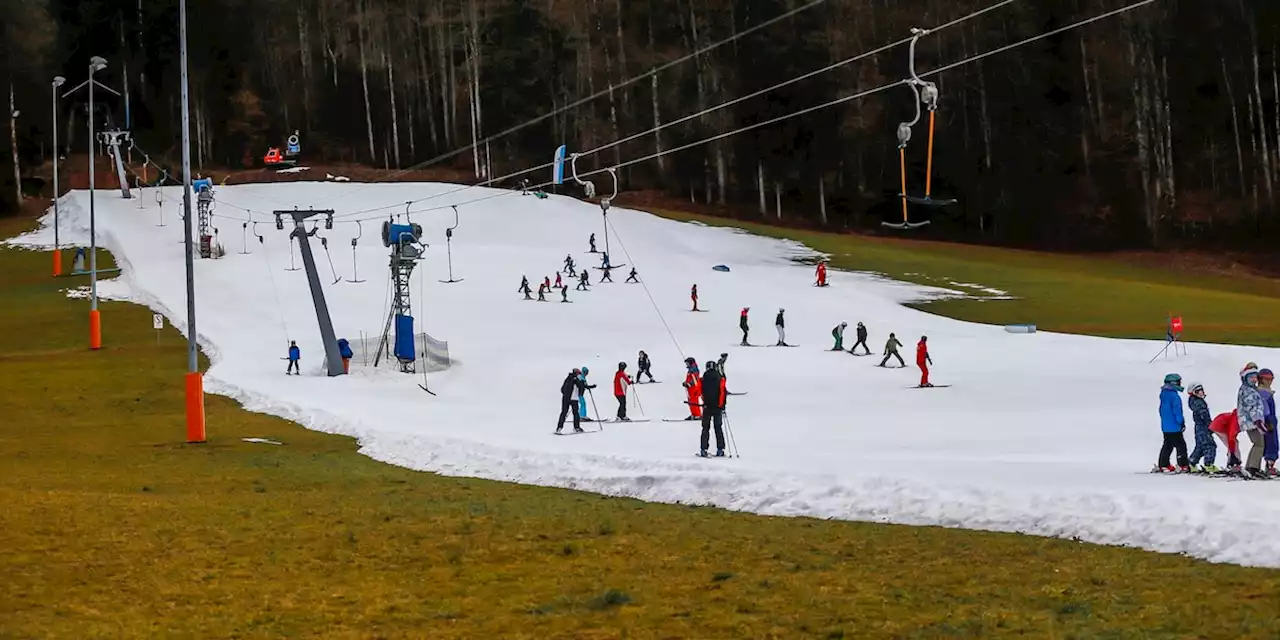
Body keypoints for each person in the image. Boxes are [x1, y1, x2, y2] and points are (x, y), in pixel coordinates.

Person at [1237, 364, 1267, 478]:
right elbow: (1252, 407)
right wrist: (1258, 421)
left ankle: (1251, 467)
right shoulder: (1248, 391)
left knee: (1258, 443)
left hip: (1250, 421)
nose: (1254, 379)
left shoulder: (1249, 389)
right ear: (1245, 378)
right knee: (1259, 444)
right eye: (1251, 377)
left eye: (1255, 377)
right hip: (1252, 422)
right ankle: (1253, 468)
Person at [1156, 373, 1189, 472]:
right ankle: (1183, 464)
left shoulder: (1163, 395)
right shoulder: (1174, 396)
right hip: (1174, 426)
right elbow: (1177, 411)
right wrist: (1181, 422)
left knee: (1167, 445)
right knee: (1181, 446)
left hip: (1165, 426)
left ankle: (1163, 464)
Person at [1186, 382, 1217, 473]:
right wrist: (1210, 425)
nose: (1201, 393)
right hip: (1203, 427)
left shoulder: (1195, 402)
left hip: (1199, 427)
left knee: (1200, 446)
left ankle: (1192, 462)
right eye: (1198, 391)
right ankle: (1208, 464)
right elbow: (1204, 416)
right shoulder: (1199, 404)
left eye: (1201, 390)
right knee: (1210, 445)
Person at [699, 360, 727, 457]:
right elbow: (723, 392)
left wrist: (704, 401)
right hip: (717, 407)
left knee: (705, 428)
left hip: (707, 407)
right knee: (718, 428)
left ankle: (703, 449)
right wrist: (722, 406)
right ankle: (720, 449)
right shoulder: (720, 378)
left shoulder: (703, 379)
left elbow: (700, 391)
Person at [1259, 368, 1278, 476]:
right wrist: (1267, 420)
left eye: (1271, 379)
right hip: (1268, 420)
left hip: (1272, 419)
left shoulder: (1267, 391)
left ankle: (1270, 464)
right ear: (1261, 379)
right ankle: (1269, 464)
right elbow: (1264, 408)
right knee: (1271, 442)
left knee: (1273, 441)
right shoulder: (1262, 392)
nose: (1270, 381)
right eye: (1267, 379)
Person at [557, 368, 587, 434]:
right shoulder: (577, 379)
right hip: (574, 399)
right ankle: (576, 428)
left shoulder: (567, 378)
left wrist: (566, 395)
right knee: (576, 413)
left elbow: (562, 389)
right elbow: (581, 387)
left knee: (563, 413)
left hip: (565, 398)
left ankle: (559, 428)